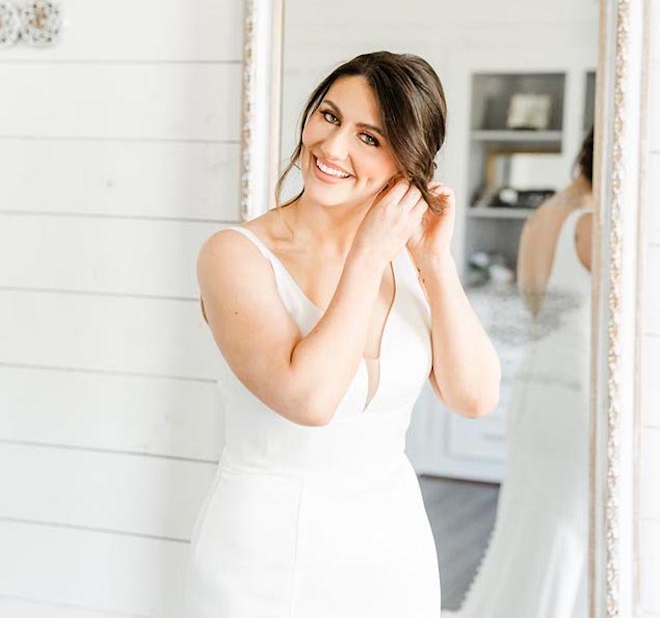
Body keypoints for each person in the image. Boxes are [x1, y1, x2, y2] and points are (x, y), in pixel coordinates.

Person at [184, 50, 501, 618]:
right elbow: (308, 399)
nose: (332, 148)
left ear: (408, 163)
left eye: (369, 138)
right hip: (263, 557)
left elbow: (473, 397)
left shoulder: (410, 261)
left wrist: (434, 262)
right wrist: (367, 256)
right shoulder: (235, 256)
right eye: (328, 117)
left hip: (391, 552)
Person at [450, 126, 594, 618]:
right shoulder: (595, 221)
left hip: (539, 385)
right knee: (569, 526)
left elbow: (537, 307)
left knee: (530, 521)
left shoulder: (543, 215)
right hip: (578, 391)